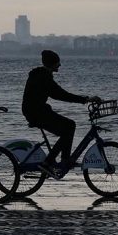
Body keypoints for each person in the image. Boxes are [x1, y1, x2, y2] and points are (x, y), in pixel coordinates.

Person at [22, 50, 100, 178]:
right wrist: (86, 99)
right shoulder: (44, 77)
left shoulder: (40, 75)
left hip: (36, 111)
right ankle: (49, 162)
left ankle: (64, 160)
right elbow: (60, 94)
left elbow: (56, 94)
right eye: (58, 62)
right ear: (52, 63)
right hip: (36, 112)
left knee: (69, 126)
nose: (60, 65)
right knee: (68, 128)